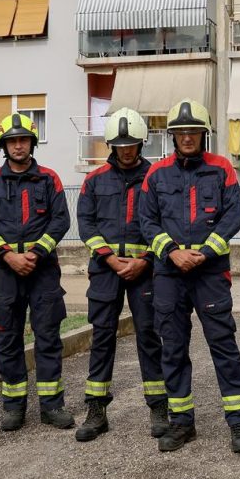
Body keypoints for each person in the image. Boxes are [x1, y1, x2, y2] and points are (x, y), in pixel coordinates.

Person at [137, 99, 240, 453]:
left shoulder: (222, 169)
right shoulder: (156, 175)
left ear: (204, 134)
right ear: (172, 137)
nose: (187, 137)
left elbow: (233, 216)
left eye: (193, 131)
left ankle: (238, 423)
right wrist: (172, 251)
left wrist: (203, 252)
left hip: (210, 272)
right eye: (180, 132)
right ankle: (182, 423)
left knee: (223, 344)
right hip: (169, 274)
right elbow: (147, 221)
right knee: (172, 347)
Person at [0, 113, 73, 432]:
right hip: (5, 272)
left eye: (24, 139)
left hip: (43, 271)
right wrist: (8, 255)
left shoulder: (50, 179)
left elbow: (60, 221)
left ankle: (52, 406)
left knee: (48, 337)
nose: (19, 145)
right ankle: (14, 408)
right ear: (4, 145)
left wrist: (36, 252)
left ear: (32, 142)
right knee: (7, 339)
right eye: (12, 141)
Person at [74, 108, 167, 442]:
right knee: (101, 337)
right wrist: (111, 260)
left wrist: (145, 260)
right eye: (119, 144)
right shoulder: (94, 180)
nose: (126, 149)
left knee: (149, 336)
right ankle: (96, 409)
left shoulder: (157, 178)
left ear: (141, 143)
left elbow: (165, 223)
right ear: (111, 145)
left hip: (146, 270)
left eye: (131, 144)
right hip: (105, 270)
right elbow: (86, 224)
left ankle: (158, 406)